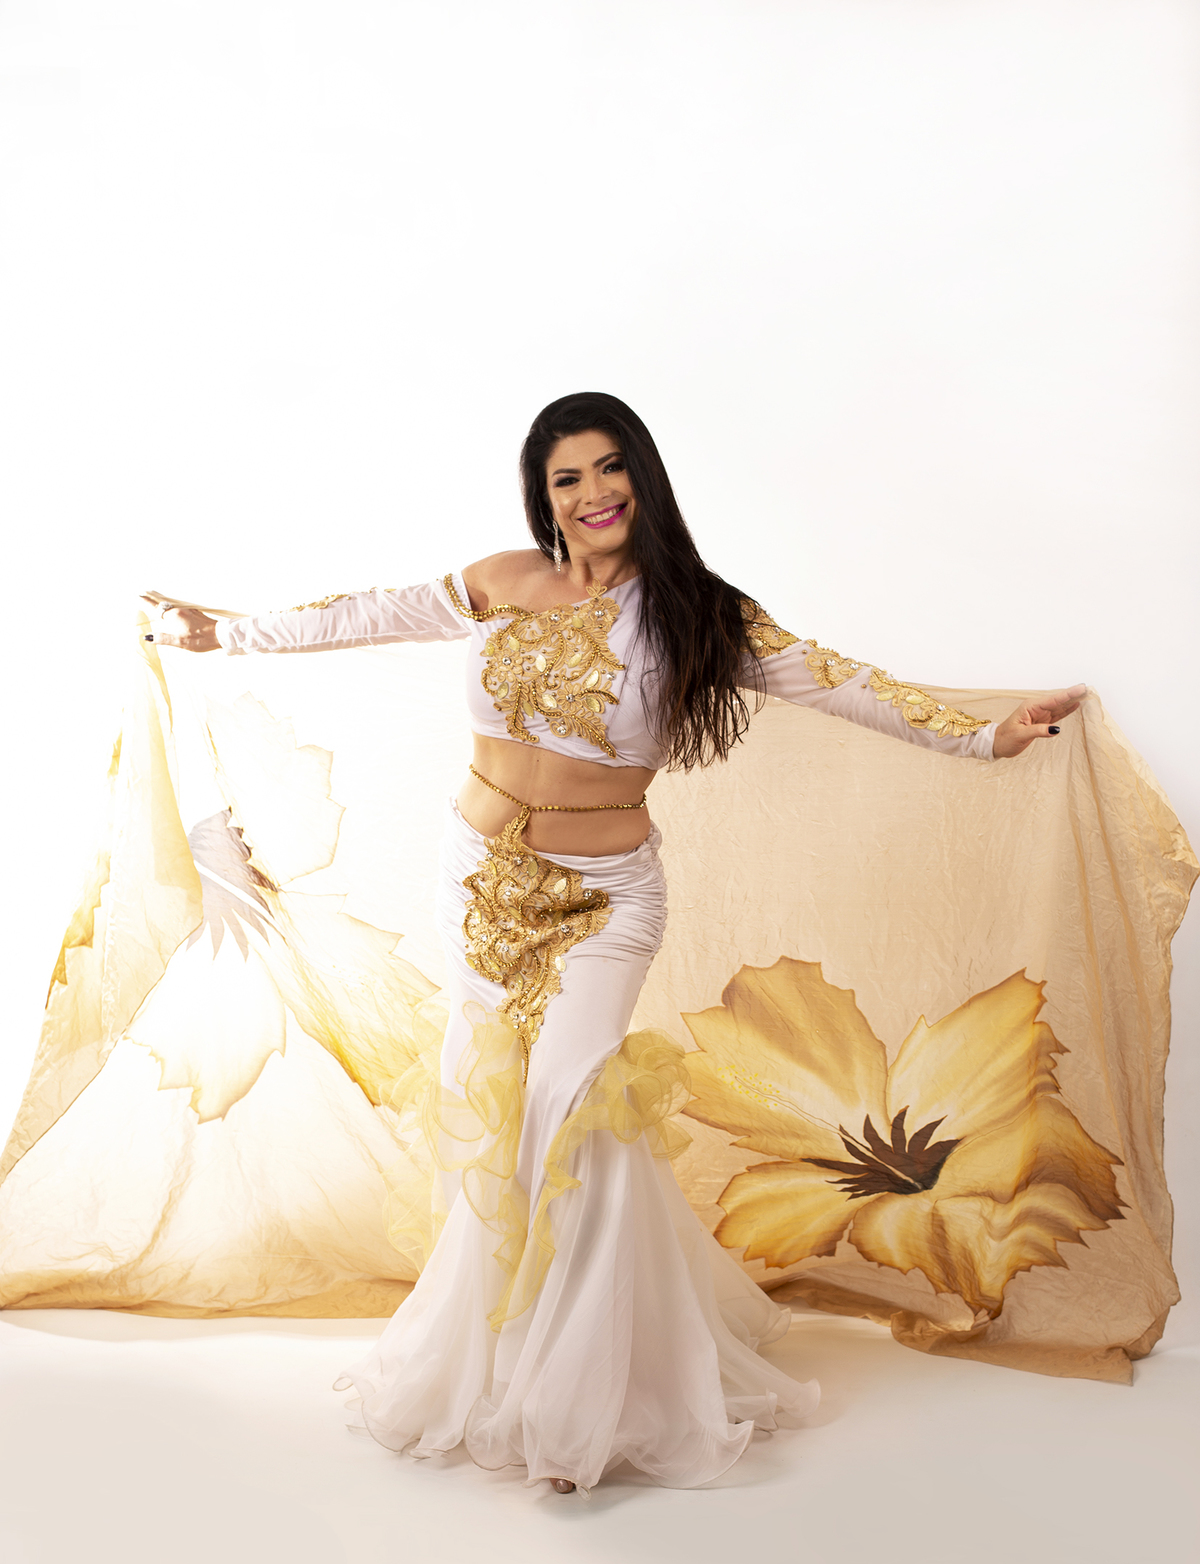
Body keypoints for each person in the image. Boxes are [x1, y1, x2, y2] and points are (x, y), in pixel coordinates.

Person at [142, 391, 1084, 1494]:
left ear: (642, 475)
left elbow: (842, 683)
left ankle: (582, 1400)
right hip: (479, 883)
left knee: (572, 1106)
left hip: (604, 899)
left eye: (609, 468)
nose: (592, 494)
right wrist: (227, 632)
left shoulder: (700, 615)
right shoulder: (506, 578)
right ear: (542, 497)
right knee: (491, 1106)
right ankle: (495, 1355)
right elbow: (372, 612)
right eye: (567, 478)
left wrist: (982, 737)